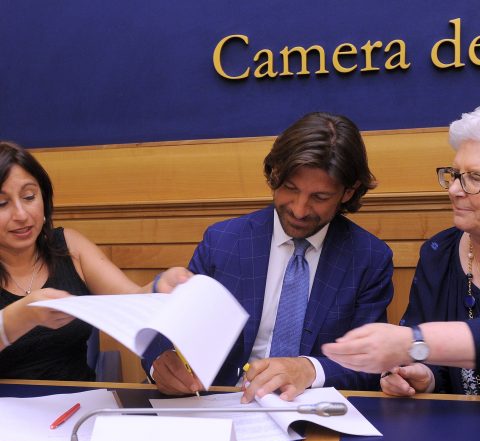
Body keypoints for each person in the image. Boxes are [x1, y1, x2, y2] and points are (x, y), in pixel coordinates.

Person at [143, 111, 394, 401]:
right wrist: (159, 362)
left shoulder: (369, 258)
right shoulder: (223, 241)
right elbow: (168, 329)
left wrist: (308, 369)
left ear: (347, 193)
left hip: (312, 415)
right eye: (290, 189)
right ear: (274, 175)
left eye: (319, 197)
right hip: (218, 407)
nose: (299, 210)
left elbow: (371, 363)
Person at [322, 106, 480, 396]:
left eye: (475, 178)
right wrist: (420, 376)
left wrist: (412, 341)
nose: (454, 190)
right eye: (455, 174)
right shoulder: (438, 253)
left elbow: (416, 340)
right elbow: (433, 368)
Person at [0, 141, 191, 380]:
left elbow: (129, 301)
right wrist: (21, 316)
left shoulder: (70, 247)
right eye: (2, 203)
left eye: (29, 196)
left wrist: (157, 288)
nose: (21, 215)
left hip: (78, 407)